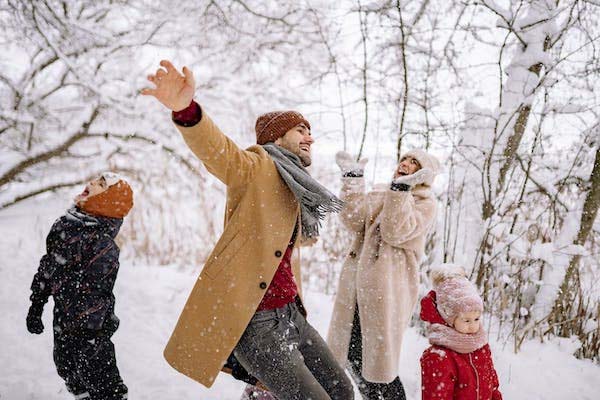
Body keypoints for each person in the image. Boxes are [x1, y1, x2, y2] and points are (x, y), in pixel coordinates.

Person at [141, 60, 354, 400]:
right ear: (276, 137)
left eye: (309, 130)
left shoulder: (296, 184)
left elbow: (286, 242)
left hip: (290, 314)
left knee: (342, 390)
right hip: (257, 322)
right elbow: (220, 153)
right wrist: (187, 111)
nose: (309, 137)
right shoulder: (257, 167)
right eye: (300, 130)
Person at [327, 149, 440, 399]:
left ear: (424, 175)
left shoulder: (425, 203)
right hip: (355, 290)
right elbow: (352, 220)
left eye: (415, 163)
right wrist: (353, 180)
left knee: (378, 366)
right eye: (405, 159)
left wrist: (401, 192)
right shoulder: (381, 191)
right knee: (351, 355)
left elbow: (393, 231)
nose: (406, 164)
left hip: (387, 292)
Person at [26, 173, 133, 400]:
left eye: (101, 185)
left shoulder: (102, 245)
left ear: (107, 202)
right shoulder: (65, 225)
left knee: (100, 377)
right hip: (64, 318)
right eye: (95, 180)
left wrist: (87, 335)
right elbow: (49, 265)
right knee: (67, 368)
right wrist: (37, 302)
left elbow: (95, 293)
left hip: (89, 328)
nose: (91, 183)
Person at [419, 264, 503, 400]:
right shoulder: (439, 356)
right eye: (466, 320)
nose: (473, 326)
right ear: (449, 319)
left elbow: (493, 387)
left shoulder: (481, 347)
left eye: (476, 319)